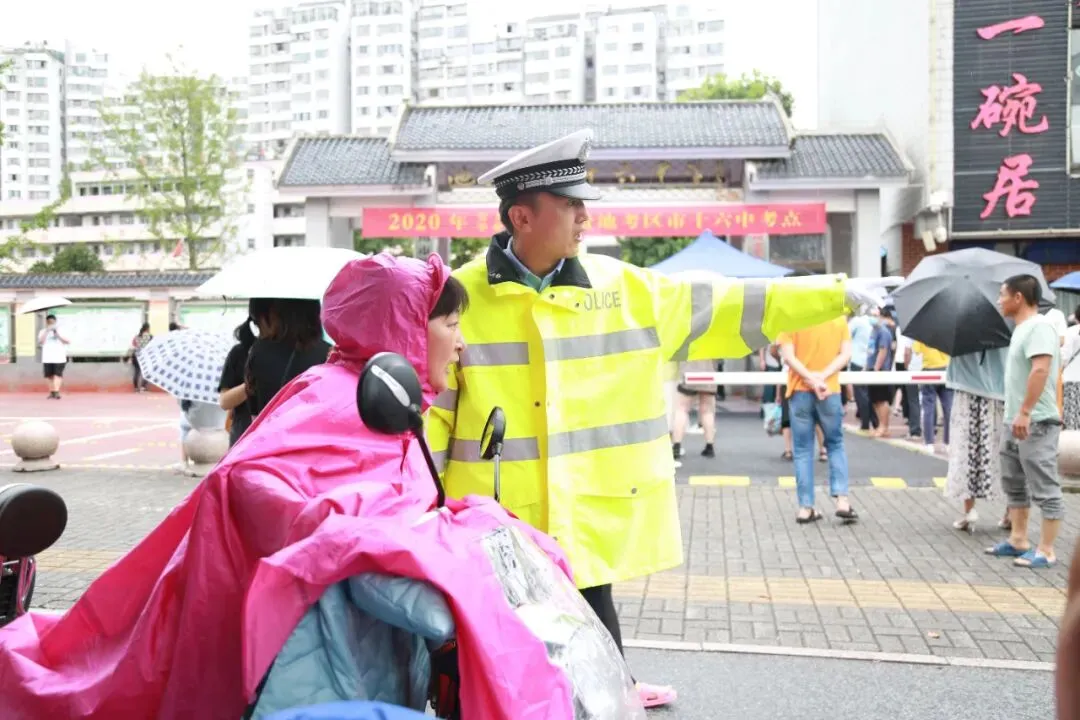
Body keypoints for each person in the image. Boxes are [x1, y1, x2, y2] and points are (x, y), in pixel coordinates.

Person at [0, 254, 593, 718]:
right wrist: (336, 524)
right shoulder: (337, 399)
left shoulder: (374, 394)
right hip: (293, 650)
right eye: (452, 322)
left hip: (363, 644)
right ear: (405, 323)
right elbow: (251, 482)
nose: (462, 341)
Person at [425, 128, 896, 708]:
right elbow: (435, 410)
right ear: (521, 217)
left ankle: (614, 687)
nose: (584, 218)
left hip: (585, 514)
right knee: (491, 664)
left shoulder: (625, 289)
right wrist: (426, 508)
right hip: (493, 521)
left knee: (597, 647)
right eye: (570, 205)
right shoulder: (460, 297)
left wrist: (839, 293)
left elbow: (738, 303)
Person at [986, 274, 1063, 569]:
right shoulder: (1020, 329)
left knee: (1044, 485)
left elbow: (1041, 371)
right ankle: (1019, 539)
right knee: (1014, 483)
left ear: (1018, 298)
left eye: (1002, 294)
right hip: (1015, 420)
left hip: (1036, 421)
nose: (999, 300)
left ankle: (1046, 550)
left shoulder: (1040, 328)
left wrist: (1026, 411)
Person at [778, 317, 855, 523]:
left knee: (802, 450)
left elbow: (788, 357)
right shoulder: (837, 318)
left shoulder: (792, 318)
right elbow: (846, 354)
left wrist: (810, 379)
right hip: (829, 390)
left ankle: (805, 508)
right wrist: (822, 377)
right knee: (835, 444)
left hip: (800, 390)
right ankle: (842, 501)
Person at [943, 346, 1008, 532]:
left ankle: (969, 511)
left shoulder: (961, 329)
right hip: (1000, 394)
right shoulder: (1006, 329)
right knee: (1003, 453)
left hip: (967, 394)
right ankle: (1011, 511)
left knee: (967, 453)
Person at [245, 298, 332, 418]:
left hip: (273, 434)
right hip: (317, 434)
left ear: (275, 314)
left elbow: (255, 414)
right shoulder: (330, 354)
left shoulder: (260, 351)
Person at [218, 299, 272, 446]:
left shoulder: (293, 354)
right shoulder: (240, 353)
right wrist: (250, 383)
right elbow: (224, 401)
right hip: (244, 435)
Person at [671, 358, 718, 460]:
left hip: (689, 373)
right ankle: (709, 446)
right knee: (707, 410)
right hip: (709, 374)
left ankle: (676, 446)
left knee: (682, 409)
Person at [913, 340, 952, 451]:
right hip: (946, 369)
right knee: (948, 408)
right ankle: (948, 442)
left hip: (928, 370)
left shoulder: (923, 332)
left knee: (928, 408)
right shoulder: (947, 332)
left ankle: (929, 442)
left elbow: (916, 351)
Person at [866, 306, 897, 437]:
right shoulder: (874, 330)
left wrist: (876, 368)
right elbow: (871, 350)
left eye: (874, 315)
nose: (872, 317)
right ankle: (880, 425)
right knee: (875, 400)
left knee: (881, 399)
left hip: (880, 370)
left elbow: (883, 350)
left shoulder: (883, 331)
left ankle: (884, 427)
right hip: (871, 367)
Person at [38, 313, 70, 399]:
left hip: (59, 357)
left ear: (55, 322)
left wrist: (57, 334)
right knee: (49, 376)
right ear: (46, 322)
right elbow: (41, 342)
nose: (51, 323)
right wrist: (47, 331)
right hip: (47, 357)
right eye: (49, 322)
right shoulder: (42, 331)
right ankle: (52, 391)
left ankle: (56, 391)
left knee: (57, 375)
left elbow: (67, 341)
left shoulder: (62, 330)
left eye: (52, 322)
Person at [127, 322, 153, 392]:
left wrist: (129, 356)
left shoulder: (136, 336)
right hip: (145, 357)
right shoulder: (150, 337)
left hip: (136, 356)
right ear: (148, 328)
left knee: (137, 372)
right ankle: (143, 387)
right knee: (147, 372)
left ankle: (136, 388)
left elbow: (132, 346)